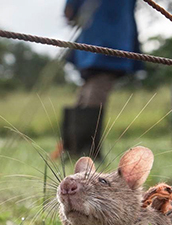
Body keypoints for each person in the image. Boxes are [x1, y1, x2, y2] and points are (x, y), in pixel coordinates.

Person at [57, 0, 143, 160]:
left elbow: (69, 12)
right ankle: (83, 150)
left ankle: (75, 148)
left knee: (91, 87)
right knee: (95, 87)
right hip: (110, 39)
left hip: (99, 35)